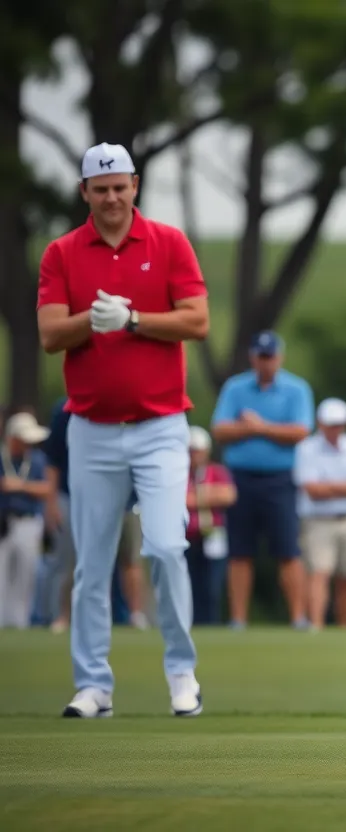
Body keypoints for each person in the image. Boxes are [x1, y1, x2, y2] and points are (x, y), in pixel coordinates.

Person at [36, 141, 208, 718]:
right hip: (91, 428)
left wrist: (131, 319)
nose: (112, 198)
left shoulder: (169, 242)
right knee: (91, 561)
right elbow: (50, 334)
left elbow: (197, 321)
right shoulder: (62, 253)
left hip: (160, 425)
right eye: (101, 189)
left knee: (166, 546)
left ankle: (182, 673)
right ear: (84, 192)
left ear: (135, 185)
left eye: (120, 186)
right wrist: (94, 318)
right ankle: (93, 686)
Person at [211, 330, 314, 629]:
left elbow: (299, 431)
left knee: (288, 550)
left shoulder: (296, 389)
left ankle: (298, 617)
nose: (266, 362)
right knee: (240, 551)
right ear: (252, 358)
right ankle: (238, 619)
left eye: (270, 357)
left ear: (279, 357)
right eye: (261, 356)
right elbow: (221, 430)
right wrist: (268, 430)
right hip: (240, 478)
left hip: (280, 480)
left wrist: (258, 427)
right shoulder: (235, 388)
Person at [44, 397, 149, 634]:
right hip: (77, 497)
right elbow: (53, 460)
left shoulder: (131, 406)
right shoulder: (67, 409)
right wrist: (52, 502)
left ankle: (136, 614)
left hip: (125, 498)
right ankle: (64, 616)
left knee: (130, 559)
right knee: (73, 560)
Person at [293, 398, 346, 631]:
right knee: (319, 573)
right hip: (318, 521)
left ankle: (345, 630)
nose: (335, 429)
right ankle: (316, 626)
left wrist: (329, 487)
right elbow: (313, 490)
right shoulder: (306, 448)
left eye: (339, 424)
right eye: (331, 424)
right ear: (320, 424)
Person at [0, 412, 52, 628]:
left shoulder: (36, 460)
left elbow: (47, 488)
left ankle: (20, 622)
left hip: (28, 521)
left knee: (26, 575)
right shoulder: (3, 457)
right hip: (3, 522)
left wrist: (20, 486)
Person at [185, 426, 236, 625]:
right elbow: (179, 500)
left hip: (213, 534)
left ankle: (211, 623)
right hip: (187, 536)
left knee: (211, 586)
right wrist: (209, 495)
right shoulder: (179, 473)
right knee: (189, 585)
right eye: (191, 451)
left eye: (197, 451)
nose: (194, 455)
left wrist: (196, 497)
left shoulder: (216, 471)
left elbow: (228, 495)